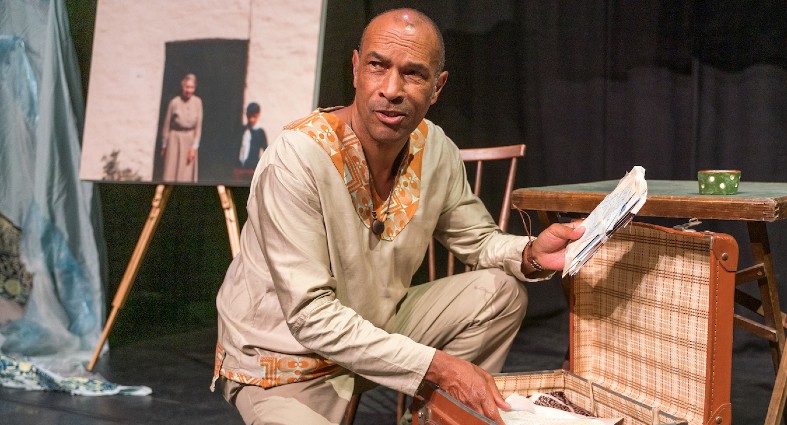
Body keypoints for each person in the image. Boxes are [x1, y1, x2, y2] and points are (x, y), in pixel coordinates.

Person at [212, 8, 585, 425]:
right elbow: (310, 317)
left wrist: (532, 253)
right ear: (355, 68)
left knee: (500, 291)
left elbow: (478, 241)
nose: (391, 89)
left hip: (376, 327)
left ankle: (432, 418)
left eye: (413, 74)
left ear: (437, 87)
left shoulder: (434, 147)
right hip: (284, 362)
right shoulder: (295, 158)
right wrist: (441, 367)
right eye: (377, 66)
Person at [160, 73, 202, 182]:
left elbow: (198, 127)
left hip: (189, 140)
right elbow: (166, 126)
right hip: (174, 140)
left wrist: (194, 147)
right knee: (171, 172)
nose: (189, 90)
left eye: (191, 87)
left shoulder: (198, 102)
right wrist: (164, 146)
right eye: (187, 87)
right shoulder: (174, 102)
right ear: (182, 87)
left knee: (186, 174)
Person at [233, 102, 267, 181]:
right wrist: (235, 166)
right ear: (246, 115)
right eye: (249, 116)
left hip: (252, 170)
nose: (251, 119)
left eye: (254, 116)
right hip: (239, 169)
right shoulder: (242, 130)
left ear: (258, 115)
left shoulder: (260, 132)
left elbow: (266, 151)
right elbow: (235, 148)